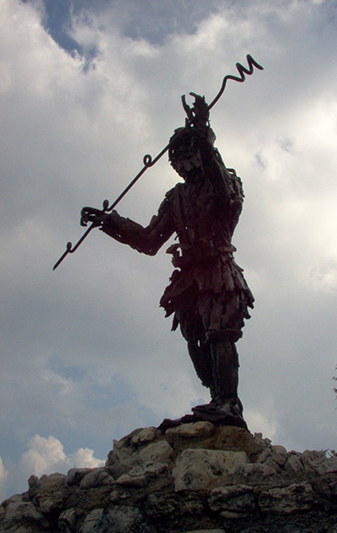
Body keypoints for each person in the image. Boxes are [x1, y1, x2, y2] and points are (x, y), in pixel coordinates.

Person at [81, 95, 254, 426]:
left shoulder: (225, 183)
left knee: (219, 331)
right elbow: (149, 240)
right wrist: (108, 221)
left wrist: (204, 134)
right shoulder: (176, 196)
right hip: (188, 277)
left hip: (218, 270)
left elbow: (223, 192)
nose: (181, 164)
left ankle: (229, 404)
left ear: (199, 155)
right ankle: (218, 398)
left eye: (187, 155)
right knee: (195, 336)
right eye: (176, 159)